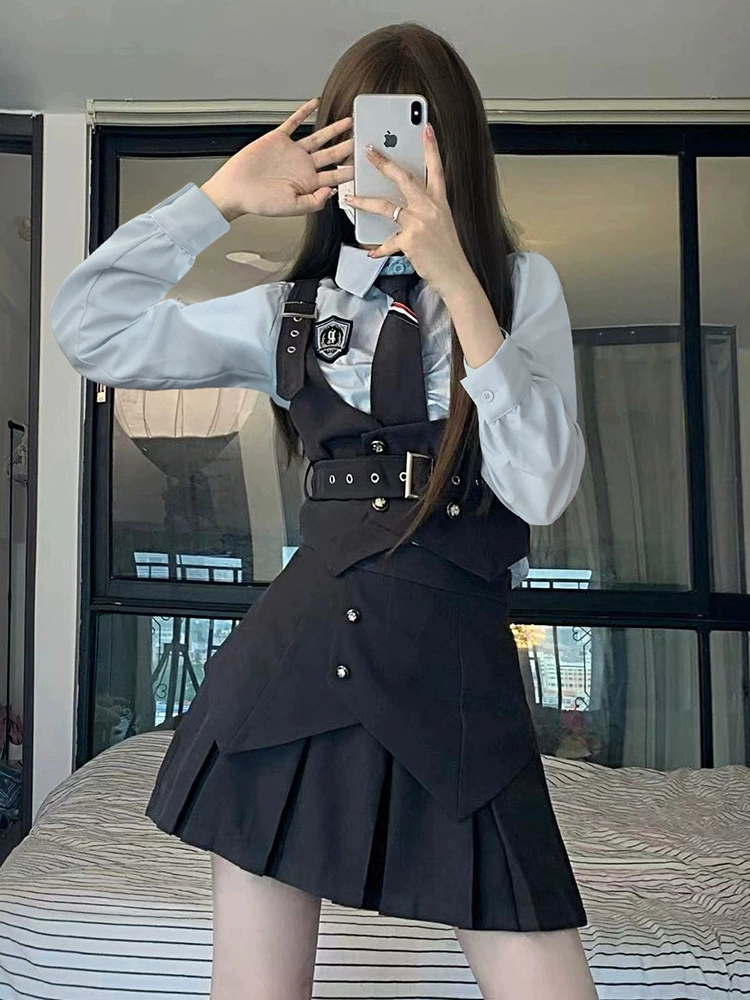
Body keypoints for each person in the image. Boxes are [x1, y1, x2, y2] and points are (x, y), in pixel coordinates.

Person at [50, 21, 596, 1000]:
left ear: (454, 152)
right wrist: (219, 199)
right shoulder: (292, 311)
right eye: (362, 139)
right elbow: (90, 329)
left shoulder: (520, 293)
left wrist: (458, 280)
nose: (384, 164)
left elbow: (543, 488)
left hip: (455, 683)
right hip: (292, 682)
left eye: (409, 137)